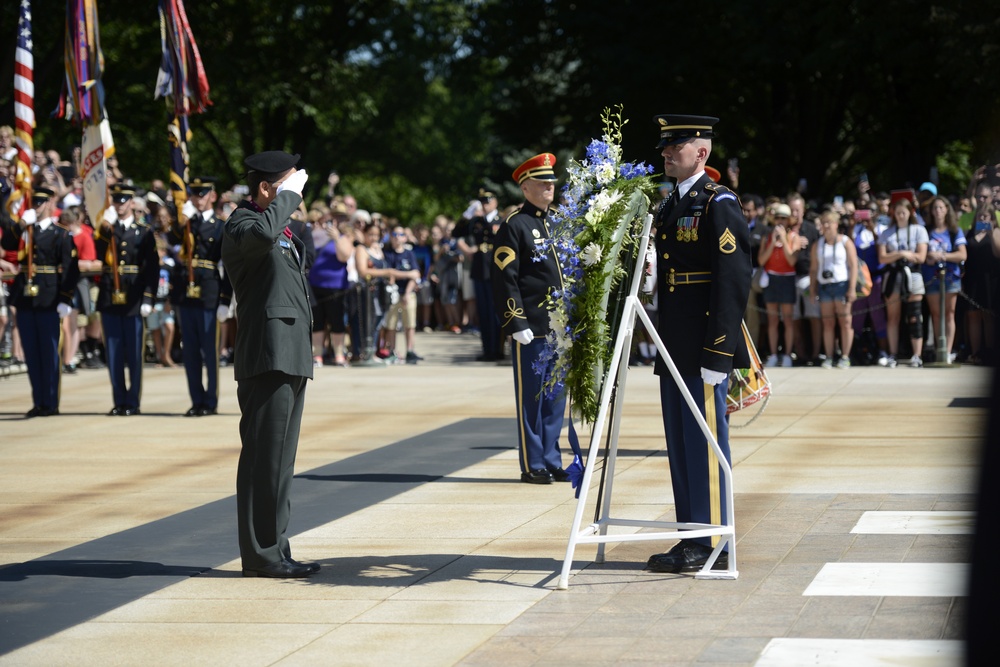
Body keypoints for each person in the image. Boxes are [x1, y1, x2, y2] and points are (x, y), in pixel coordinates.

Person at [645, 115, 751, 574]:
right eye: (665, 147)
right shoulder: (671, 203)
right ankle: (691, 534)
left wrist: (720, 352)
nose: (666, 153)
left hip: (705, 343)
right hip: (675, 342)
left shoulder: (718, 202)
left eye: (676, 146)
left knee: (705, 443)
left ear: (701, 153)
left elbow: (732, 281)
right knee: (681, 443)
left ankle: (713, 541)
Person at [222, 150, 319, 579]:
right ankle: (261, 555)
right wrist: (285, 200)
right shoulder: (243, 224)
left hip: (290, 352)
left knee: (280, 460)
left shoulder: (278, 229)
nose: (296, 197)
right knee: (264, 457)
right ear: (266, 188)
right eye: (287, 187)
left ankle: (276, 548)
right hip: (268, 353)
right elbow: (259, 238)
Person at [491, 152, 567, 484]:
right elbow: (505, 277)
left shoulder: (558, 222)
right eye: (541, 182)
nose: (549, 186)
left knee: (555, 398)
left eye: (551, 181)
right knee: (533, 396)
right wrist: (515, 321)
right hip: (533, 326)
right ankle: (533, 461)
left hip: (560, 326)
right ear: (525, 188)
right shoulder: (515, 226)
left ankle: (551, 457)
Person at [11, 188, 79, 416]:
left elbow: (71, 268)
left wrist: (65, 298)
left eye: (42, 202)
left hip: (49, 298)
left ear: (49, 204)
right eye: (35, 202)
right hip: (26, 299)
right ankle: (38, 401)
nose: (38, 206)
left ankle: (50, 402)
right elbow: (7, 243)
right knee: (31, 353)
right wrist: (21, 224)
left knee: (49, 352)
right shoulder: (24, 230)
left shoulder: (60, 234)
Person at [93, 183, 160, 415]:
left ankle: (133, 401)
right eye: (116, 200)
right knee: (113, 353)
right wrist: (104, 229)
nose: (120, 204)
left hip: (133, 297)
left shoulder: (144, 232)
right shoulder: (107, 229)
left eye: (124, 200)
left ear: (131, 202)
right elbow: (97, 252)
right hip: (111, 296)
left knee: (133, 353)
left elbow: (152, 268)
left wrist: (148, 298)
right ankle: (119, 400)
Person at [171, 177, 232, 415]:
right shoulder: (186, 223)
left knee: (210, 351)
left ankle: (210, 401)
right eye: (194, 193)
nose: (198, 198)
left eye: (203, 193)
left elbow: (227, 265)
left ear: (213, 196)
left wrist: (225, 299)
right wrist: (182, 219)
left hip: (209, 292)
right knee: (191, 350)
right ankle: (196, 400)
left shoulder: (220, 226)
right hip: (186, 293)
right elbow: (172, 239)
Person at [877, 196, 928, 367]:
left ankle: (917, 354)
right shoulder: (886, 232)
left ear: (910, 213)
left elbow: (920, 257)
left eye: (903, 213)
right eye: (897, 213)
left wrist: (905, 255)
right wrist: (902, 254)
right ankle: (893, 353)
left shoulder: (919, 230)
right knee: (893, 317)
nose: (900, 216)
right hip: (893, 276)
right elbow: (883, 258)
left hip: (912, 274)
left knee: (914, 315)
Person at [810, 211, 858, 368]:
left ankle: (845, 356)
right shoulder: (818, 244)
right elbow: (813, 269)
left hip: (841, 285)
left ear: (836, 224)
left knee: (845, 322)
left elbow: (853, 266)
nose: (826, 226)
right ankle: (829, 356)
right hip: (825, 286)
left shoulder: (845, 242)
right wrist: (812, 290)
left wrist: (852, 289)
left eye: (829, 222)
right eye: (823, 222)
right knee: (828, 323)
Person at [922, 196, 967, 362]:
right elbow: (922, 254)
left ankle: (947, 351)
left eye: (941, 207)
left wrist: (942, 255)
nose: (938, 211)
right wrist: (929, 256)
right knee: (935, 314)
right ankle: (937, 349)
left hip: (950, 277)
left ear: (947, 209)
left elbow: (962, 254)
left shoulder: (954, 231)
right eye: (935, 208)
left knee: (949, 313)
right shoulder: (926, 231)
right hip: (931, 277)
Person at [758, 203, 799, 367]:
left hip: (787, 279)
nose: (780, 221)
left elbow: (792, 260)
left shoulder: (794, 237)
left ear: (789, 221)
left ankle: (788, 354)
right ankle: (774, 354)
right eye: (778, 218)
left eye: (784, 218)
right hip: (771, 278)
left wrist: (783, 239)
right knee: (772, 320)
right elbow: (761, 260)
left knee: (788, 320)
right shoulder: (767, 236)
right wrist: (773, 242)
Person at [470, 189, 503, 361]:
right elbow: (457, 232)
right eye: (482, 202)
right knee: (483, 312)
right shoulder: (477, 221)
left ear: (495, 203)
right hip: (479, 271)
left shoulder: (500, 220)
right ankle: (486, 349)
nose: (485, 205)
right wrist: (468, 214)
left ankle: (496, 349)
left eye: (488, 201)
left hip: (494, 271)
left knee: (494, 312)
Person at [383, 224, 423, 364]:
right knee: (391, 324)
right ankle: (392, 350)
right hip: (393, 293)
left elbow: (416, 274)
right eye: (394, 235)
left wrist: (407, 292)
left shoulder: (409, 253)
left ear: (405, 238)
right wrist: (406, 274)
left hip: (407, 293)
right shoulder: (387, 253)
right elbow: (389, 274)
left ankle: (410, 350)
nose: (397, 238)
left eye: (401, 235)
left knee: (409, 324)